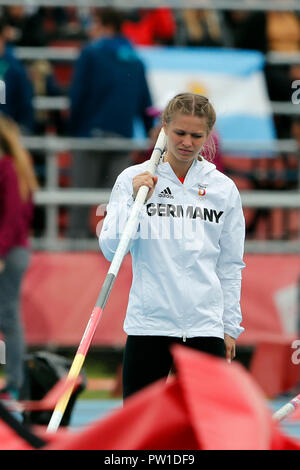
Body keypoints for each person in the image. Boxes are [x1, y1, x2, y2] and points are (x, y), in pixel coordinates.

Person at [99, 92, 246, 400]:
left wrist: (229, 325)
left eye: (197, 135)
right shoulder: (133, 179)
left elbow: (230, 263)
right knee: (140, 431)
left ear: (207, 136)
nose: (187, 142)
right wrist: (134, 204)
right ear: (164, 127)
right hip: (149, 323)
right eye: (180, 132)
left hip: (205, 326)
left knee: (208, 429)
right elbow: (111, 250)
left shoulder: (223, 188)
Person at [68, 7, 154, 238]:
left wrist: (72, 131)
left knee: (80, 199)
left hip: (89, 135)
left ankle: (74, 246)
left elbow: (77, 97)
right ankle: (112, 250)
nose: (89, 30)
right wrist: (148, 135)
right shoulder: (136, 59)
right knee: (118, 204)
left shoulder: (90, 53)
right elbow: (145, 105)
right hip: (122, 138)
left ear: (106, 26)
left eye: (93, 24)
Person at [0, 114, 38, 401]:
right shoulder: (15, 166)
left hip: (8, 252)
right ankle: (14, 380)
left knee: (8, 317)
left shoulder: (8, 168)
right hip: (12, 249)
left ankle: (14, 382)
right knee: (8, 317)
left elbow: (12, 219)